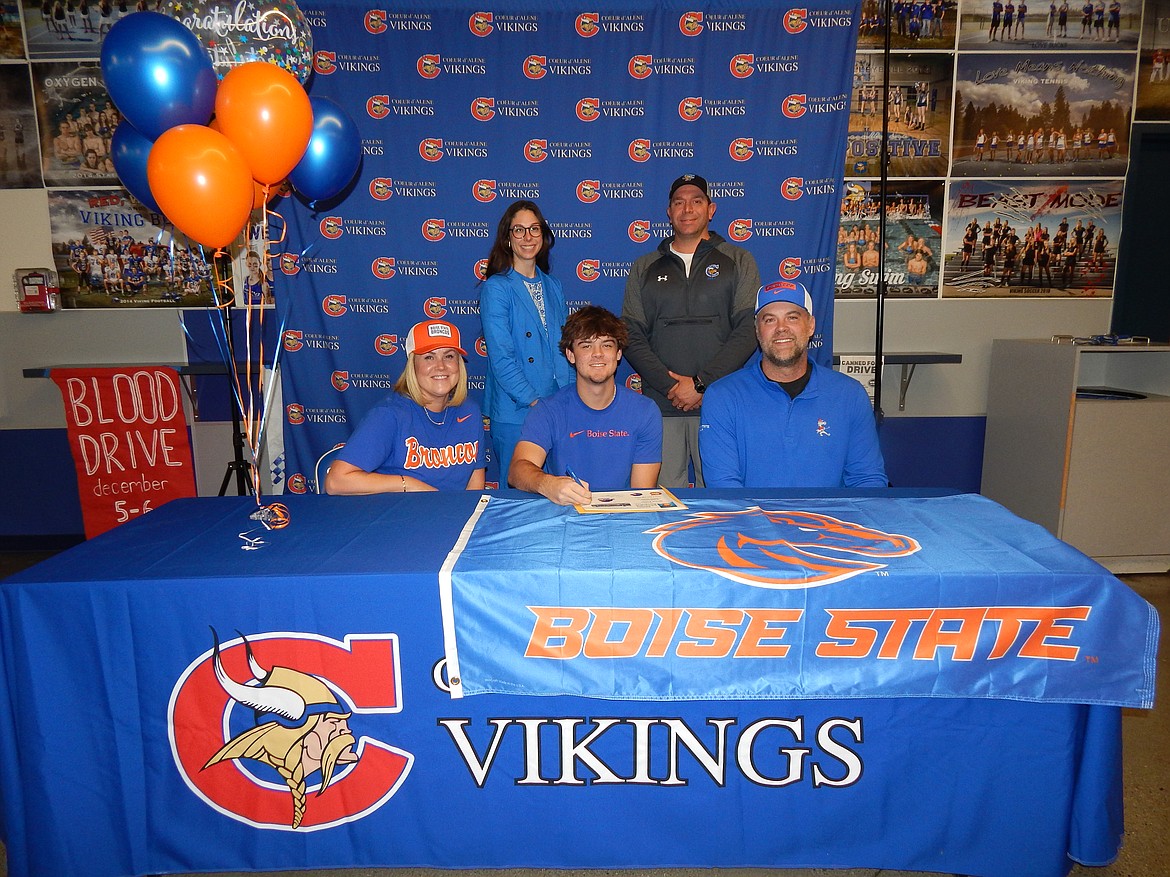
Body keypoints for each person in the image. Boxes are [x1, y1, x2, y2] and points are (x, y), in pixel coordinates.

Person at [621, 173, 760, 488]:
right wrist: (673, 387)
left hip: (720, 404)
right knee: (666, 506)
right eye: (679, 202)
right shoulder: (644, 266)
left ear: (711, 209)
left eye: (696, 201)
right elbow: (630, 334)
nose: (687, 209)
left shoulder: (738, 259)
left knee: (723, 501)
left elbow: (749, 330)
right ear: (668, 212)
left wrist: (700, 384)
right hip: (661, 406)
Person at [699, 280, 887, 489]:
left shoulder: (849, 394)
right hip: (753, 520)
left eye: (792, 318)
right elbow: (724, 487)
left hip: (829, 521)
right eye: (769, 320)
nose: (781, 328)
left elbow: (867, 479)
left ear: (811, 326)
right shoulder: (723, 396)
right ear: (757, 330)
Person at [510, 306, 662, 505]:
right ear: (571, 355)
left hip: (623, 519)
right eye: (586, 345)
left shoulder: (645, 411)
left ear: (618, 354)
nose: (597, 354)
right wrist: (548, 484)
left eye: (606, 345)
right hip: (566, 516)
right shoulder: (548, 410)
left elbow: (641, 495)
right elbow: (517, 470)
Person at [325, 320, 485, 494]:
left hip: (454, 517)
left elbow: (474, 488)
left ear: (459, 364)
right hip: (402, 516)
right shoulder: (390, 414)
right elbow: (335, 482)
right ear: (412, 365)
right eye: (429, 357)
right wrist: (407, 484)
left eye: (449, 356)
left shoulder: (470, 411)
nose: (441, 366)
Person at [478, 200, 573, 477]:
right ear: (507, 238)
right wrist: (534, 401)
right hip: (516, 411)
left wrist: (567, 397)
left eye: (534, 229)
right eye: (518, 230)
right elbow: (501, 357)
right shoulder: (497, 288)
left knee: (557, 492)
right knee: (518, 497)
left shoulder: (553, 285)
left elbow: (565, 349)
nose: (527, 237)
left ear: (543, 235)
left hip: (557, 406)